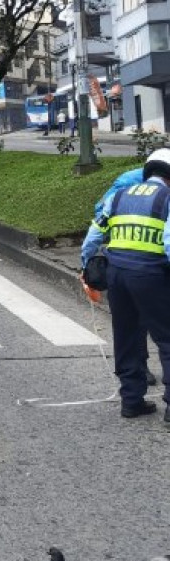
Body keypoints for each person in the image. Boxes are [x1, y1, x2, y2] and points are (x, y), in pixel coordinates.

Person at [80, 149, 170, 424]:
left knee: (127, 337)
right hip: (151, 275)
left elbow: (92, 238)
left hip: (117, 275)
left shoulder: (118, 196)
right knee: (167, 340)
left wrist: (87, 268)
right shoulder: (167, 198)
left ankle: (131, 401)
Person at [92, 166, 159, 387]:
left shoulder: (133, 180)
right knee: (141, 320)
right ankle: (141, 368)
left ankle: (133, 389)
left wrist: (88, 264)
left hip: (122, 258)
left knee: (131, 323)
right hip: (140, 259)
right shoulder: (138, 186)